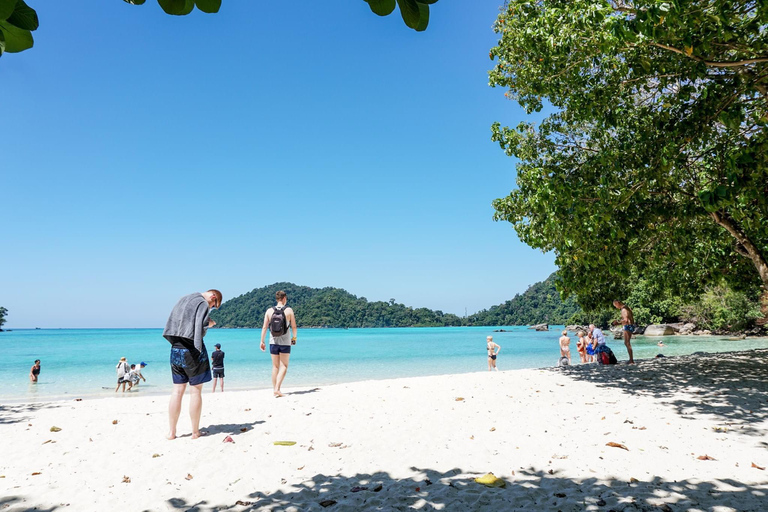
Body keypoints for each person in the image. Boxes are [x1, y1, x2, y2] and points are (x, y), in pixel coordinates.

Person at [163, 289, 222, 440]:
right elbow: (199, 330)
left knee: (177, 391)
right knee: (195, 391)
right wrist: (210, 323)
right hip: (191, 351)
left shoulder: (184, 298)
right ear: (213, 296)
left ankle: (171, 432)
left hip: (175, 349)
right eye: (214, 305)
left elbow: (179, 322)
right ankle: (195, 432)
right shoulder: (202, 303)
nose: (211, 308)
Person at [260, 290, 298, 397]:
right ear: (284, 298)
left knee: (275, 367)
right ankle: (277, 388)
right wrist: (294, 338)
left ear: (277, 299)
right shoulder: (289, 310)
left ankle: (275, 390)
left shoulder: (269, 311)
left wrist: (262, 341)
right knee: (284, 366)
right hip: (285, 342)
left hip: (273, 341)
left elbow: (264, 327)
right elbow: (294, 327)